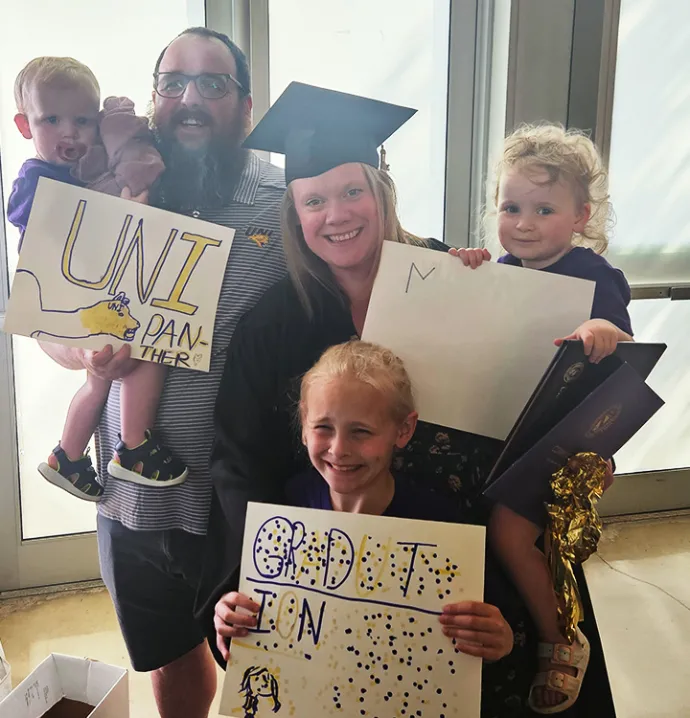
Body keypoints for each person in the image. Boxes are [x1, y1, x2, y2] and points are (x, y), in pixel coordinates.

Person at [198, 82, 534, 716]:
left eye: (353, 191)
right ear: (294, 214)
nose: (337, 214)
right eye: (314, 200)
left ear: (382, 193)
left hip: (450, 556)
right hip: (318, 566)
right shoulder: (271, 322)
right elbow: (236, 460)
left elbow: (512, 408)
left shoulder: (448, 277)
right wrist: (245, 584)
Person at [38, 28, 286, 718]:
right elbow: (48, 323)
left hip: (235, 494)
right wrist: (82, 355)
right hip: (130, 497)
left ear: (244, 105)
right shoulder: (106, 187)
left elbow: (369, 254)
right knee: (169, 660)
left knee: (265, 665)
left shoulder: (286, 200)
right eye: (173, 81)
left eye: (213, 83)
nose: (191, 99)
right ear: (153, 99)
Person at [214, 340, 515, 705]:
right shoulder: (284, 511)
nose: (339, 449)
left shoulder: (443, 526)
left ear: (403, 430)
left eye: (361, 432)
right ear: (304, 425)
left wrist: (500, 639)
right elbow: (252, 613)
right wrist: (230, 614)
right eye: (323, 427)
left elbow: (492, 637)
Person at [484, 123, 632, 713]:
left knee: (511, 530)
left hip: (563, 438)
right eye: (510, 206)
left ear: (580, 215)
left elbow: (626, 348)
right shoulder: (502, 268)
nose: (523, 222)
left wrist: (602, 331)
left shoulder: (594, 277)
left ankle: (562, 640)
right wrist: (468, 268)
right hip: (511, 430)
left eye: (544, 209)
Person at [8, 56, 186, 502]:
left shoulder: (87, 172)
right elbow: (32, 223)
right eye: (51, 119)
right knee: (147, 350)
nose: (69, 132)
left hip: (93, 290)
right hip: (69, 293)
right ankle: (134, 447)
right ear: (24, 126)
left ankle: (67, 456)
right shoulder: (38, 177)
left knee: (100, 377)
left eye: (83, 120)